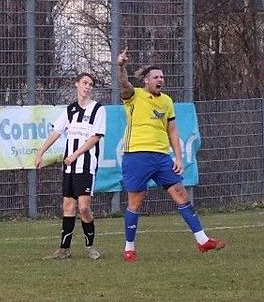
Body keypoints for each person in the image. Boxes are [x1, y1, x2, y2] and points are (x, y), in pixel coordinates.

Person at [116, 47, 225, 262]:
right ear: (146, 80)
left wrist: (178, 157)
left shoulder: (166, 101)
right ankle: (129, 248)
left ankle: (202, 241)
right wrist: (120, 66)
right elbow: (124, 84)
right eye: (156, 77)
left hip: (161, 158)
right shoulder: (134, 95)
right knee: (135, 202)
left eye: (162, 77)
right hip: (137, 155)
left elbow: (172, 130)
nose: (160, 80)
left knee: (181, 195)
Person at [34, 73, 106, 260]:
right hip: (70, 167)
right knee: (68, 206)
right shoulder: (70, 110)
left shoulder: (98, 109)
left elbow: (95, 137)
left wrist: (75, 154)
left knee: (84, 208)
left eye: (90, 84)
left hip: (86, 165)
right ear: (76, 84)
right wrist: (40, 153)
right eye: (84, 83)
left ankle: (90, 246)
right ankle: (64, 249)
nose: (87, 87)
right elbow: (56, 132)